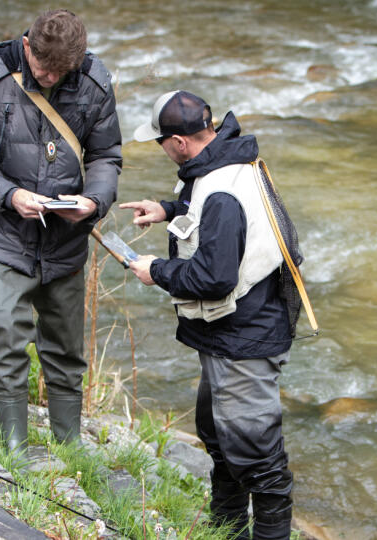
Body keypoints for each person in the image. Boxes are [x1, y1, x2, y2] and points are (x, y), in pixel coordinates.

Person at [0, 9, 121, 452]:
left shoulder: (95, 84)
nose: (52, 79)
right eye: (44, 70)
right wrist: (9, 195)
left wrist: (94, 201)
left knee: (66, 350)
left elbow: (106, 156)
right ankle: (14, 449)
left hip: (64, 241)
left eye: (63, 72)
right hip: (0, 235)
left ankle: (70, 448)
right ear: (27, 47)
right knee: (5, 336)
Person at [120, 91, 294, 539]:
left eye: (160, 141)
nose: (161, 149)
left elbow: (215, 277)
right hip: (229, 333)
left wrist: (155, 271)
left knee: (259, 460)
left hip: (244, 340)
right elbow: (208, 217)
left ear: (179, 142)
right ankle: (226, 531)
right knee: (219, 438)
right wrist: (168, 209)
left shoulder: (221, 193)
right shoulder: (223, 161)